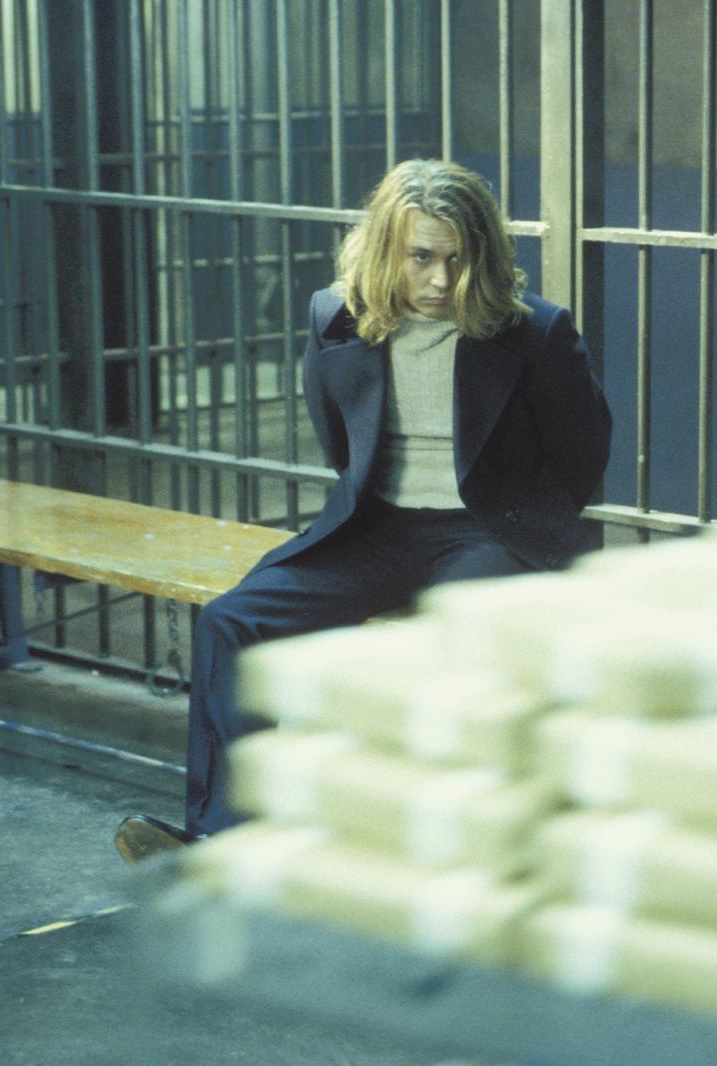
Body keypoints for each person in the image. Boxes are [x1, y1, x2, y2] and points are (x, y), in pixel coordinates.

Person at [114, 159, 612, 856]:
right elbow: (340, 440)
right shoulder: (338, 318)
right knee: (232, 622)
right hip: (377, 526)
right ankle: (225, 838)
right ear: (385, 251)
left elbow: (582, 450)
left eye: (458, 259)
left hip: (488, 531)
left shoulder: (535, 332)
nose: (441, 280)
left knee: (450, 646)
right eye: (421, 258)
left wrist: (523, 526)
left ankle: (422, 846)